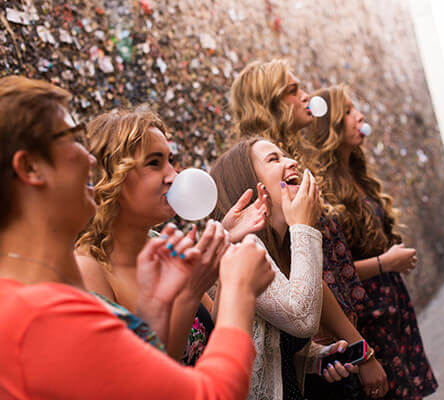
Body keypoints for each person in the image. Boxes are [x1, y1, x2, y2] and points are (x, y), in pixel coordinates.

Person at [0, 75, 275, 399]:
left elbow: (146, 379)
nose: (90, 159)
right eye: (73, 138)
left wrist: (166, 304)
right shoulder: (40, 315)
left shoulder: (35, 294)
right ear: (30, 167)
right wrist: (239, 290)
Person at [231, 59, 388, 399]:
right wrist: (362, 349)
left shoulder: (293, 156)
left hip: (333, 334)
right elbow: (296, 264)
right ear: (268, 103)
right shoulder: (262, 168)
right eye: (293, 90)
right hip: (319, 332)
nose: (306, 96)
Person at [304, 84, 438, 399]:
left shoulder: (357, 173)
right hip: (366, 315)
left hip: (391, 305)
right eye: (349, 110)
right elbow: (328, 272)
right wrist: (385, 263)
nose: (360, 116)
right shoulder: (320, 188)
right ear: (331, 122)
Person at [75, 107, 230, 361]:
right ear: (114, 177)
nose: (174, 176)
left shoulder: (160, 244)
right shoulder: (89, 269)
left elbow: (216, 328)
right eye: (154, 163)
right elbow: (144, 377)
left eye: (170, 161)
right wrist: (190, 293)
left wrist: (225, 254)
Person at [210, 138, 359, 400]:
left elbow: (271, 347)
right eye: (273, 159)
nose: (292, 162)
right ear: (251, 184)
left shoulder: (279, 245)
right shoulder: (246, 247)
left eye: (287, 156)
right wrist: (303, 226)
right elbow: (302, 320)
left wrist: (317, 357)